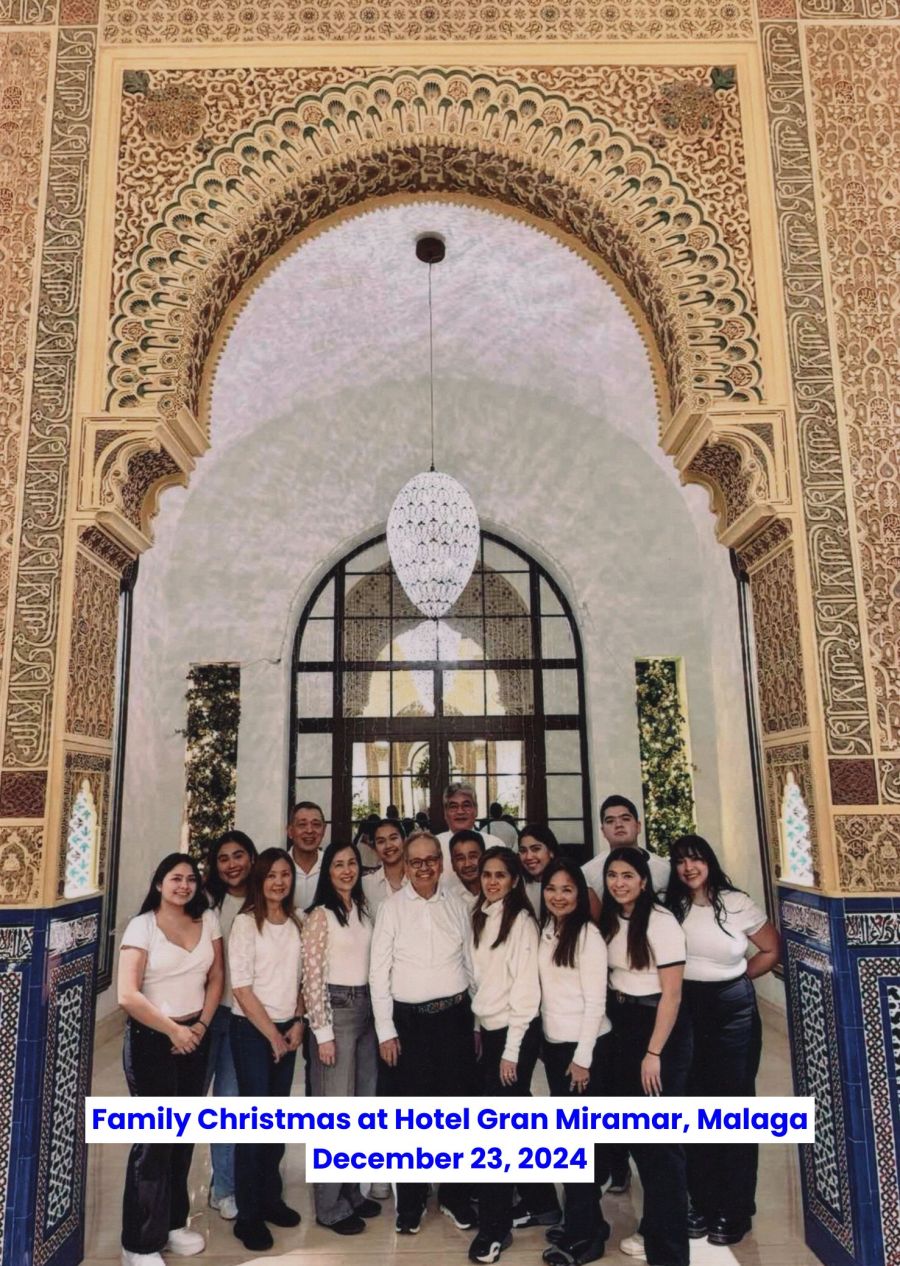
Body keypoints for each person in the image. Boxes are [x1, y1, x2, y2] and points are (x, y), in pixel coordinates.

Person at [666, 834, 780, 1247]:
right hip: (685, 1008)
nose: (688, 867)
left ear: (709, 862)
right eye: (681, 861)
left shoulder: (736, 902)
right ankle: (700, 1201)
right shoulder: (669, 906)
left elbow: (771, 950)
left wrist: (735, 979)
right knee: (692, 1103)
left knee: (733, 1106)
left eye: (696, 859)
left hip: (733, 1012)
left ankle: (735, 1208)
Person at [118, 853, 224, 1266]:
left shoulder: (208, 919)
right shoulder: (142, 926)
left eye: (191, 879)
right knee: (155, 1143)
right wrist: (173, 1031)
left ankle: (173, 1223)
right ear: (159, 883)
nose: (184, 885)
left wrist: (199, 1027)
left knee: (182, 1139)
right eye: (176, 878)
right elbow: (128, 995)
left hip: (195, 1036)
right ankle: (139, 1243)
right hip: (152, 1041)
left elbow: (216, 977)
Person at [369, 829, 477, 1235]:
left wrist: (476, 1023)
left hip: (454, 1019)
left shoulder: (458, 906)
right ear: (406, 866)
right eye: (416, 862)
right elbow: (378, 972)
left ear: (441, 862)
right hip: (408, 1025)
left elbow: (470, 964)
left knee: (456, 1112)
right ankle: (411, 1202)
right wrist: (385, 1030)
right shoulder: (391, 908)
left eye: (431, 859)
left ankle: (454, 1196)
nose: (424, 867)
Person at [599, 848, 691, 1266]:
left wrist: (654, 1052)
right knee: (637, 1138)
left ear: (643, 881)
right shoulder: (610, 918)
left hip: (657, 1030)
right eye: (612, 875)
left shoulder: (661, 921)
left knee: (660, 1146)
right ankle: (651, 1229)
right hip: (621, 1024)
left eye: (627, 876)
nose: (619, 883)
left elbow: (672, 995)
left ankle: (670, 1252)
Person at [468, 847, 558, 1264]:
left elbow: (525, 991)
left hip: (516, 1032)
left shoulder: (521, 921)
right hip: (491, 1030)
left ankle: (494, 1229)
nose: (491, 882)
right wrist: (478, 1027)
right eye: (487, 874)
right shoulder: (480, 913)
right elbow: (479, 981)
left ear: (515, 880)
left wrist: (511, 1051)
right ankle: (543, 1203)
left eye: (500, 875)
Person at [302, 842, 382, 1234]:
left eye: (352, 863)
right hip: (337, 1011)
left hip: (368, 1011)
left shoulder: (363, 910)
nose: (347, 870)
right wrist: (322, 1033)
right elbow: (311, 976)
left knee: (361, 1106)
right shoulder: (320, 915)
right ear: (327, 872)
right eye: (338, 865)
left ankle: (351, 1191)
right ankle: (328, 1204)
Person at [228, 848, 304, 1251]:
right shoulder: (245, 924)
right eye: (271, 875)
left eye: (285, 875)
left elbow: (306, 978)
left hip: (287, 1029)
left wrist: (298, 1023)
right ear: (259, 879)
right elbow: (241, 988)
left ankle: (271, 1198)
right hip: (252, 1032)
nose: (278, 882)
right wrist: (272, 1035)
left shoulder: (297, 921)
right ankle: (248, 1215)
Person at [538, 859, 611, 1266]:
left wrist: (582, 1059)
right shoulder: (548, 929)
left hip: (585, 1051)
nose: (558, 896)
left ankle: (586, 1237)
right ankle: (586, 1221)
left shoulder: (587, 935)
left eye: (567, 889)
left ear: (580, 894)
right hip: (556, 1047)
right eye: (552, 888)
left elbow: (596, 1003)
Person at [202, 830, 258, 1222]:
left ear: (251, 858)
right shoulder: (205, 902)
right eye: (224, 858)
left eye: (239, 855)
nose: (232, 864)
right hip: (205, 1015)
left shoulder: (262, 900)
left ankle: (224, 1187)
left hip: (243, 1016)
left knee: (230, 1102)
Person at [581, 795, 669, 917]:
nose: (618, 825)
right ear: (603, 831)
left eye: (625, 819)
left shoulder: (665, 869)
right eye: (610, 821)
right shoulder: (587, 873)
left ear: (638, 826)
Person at [436, 782, 512, 868]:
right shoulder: (434, 846)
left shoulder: (494, 845)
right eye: (453, 806)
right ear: (445, 813)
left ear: (476, 810)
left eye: (466, 805)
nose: (460, 811)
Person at [287, 800, 326, 913]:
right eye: (302, 824)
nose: (309, 830)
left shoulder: (332, 865)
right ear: (290, 831)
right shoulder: (278, 867)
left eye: (316, 824)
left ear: (324, 830)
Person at [361, 817, 408, 911]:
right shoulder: (366, 884)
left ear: (404, 841)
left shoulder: (418, 879)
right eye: (381, 841)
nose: (388, 845)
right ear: (374, 848)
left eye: (393, 838)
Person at [518, 824, 560, 917]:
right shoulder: (518, 886)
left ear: (551, 851)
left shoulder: (569, 884)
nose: (529, 857)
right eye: (523, 851)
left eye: (536, 849)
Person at [445, 828, 485, 909]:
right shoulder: (448, 900)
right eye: (460, 858)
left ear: (485, 858)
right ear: (453, 864)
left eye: (473, 856)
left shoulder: (497, 891)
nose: (467, 864)